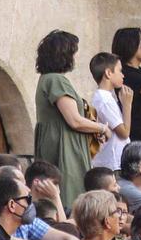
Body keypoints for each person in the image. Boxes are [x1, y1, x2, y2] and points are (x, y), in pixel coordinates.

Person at [32, 30, 109, 212]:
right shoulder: (56, 80)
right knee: (70, 197)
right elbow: (74, 120)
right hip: (64, 146)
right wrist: (102, 128)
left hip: (59, 141)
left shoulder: (47, 79)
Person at [86, 51, 131, 174]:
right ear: (108, 73)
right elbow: (124, 133)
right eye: (120, 71)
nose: (123, 75)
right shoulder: (104, 99)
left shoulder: (106, 97)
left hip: (114, 162)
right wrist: (127, 105)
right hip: (113, 163)